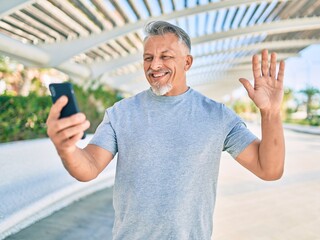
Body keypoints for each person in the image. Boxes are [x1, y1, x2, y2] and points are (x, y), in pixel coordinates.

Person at [46, 21, 285, 239]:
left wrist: (270, 113)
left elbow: (269, 169)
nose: (155, 65)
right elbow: (88, 167)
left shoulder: (218, 116)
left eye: (165, 56)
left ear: (187, 62)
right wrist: (66, 148)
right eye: (148, 58)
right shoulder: (121, 113)